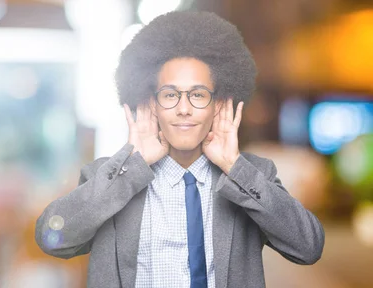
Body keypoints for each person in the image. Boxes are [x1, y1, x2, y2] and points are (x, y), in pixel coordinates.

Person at [35, 10, 324, 288]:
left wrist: (235, 167)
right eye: (170, 94)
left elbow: (308, 247)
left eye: (198, 95)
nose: (183, 108)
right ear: (151, 105)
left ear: (219, 105)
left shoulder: (251, 175)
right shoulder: (108, 177)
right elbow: (52, 237)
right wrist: (130, 169)